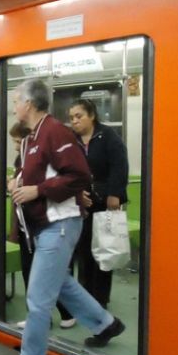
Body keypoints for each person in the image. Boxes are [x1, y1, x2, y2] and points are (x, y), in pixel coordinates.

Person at [0, 79, 124, 355]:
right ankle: (105, 324)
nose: (14, 107)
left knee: (38, 297)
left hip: (60, 224)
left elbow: (79, 175)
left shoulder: (55, 132)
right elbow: (32, 174)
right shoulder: (31, 138)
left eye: (16, 101)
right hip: (43, 226)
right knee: (62, 284)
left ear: (29, 104)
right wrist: (17, 182)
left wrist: (37, 190)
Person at [7, 122, 75, 329]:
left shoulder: (42, 159)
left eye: (18, 141)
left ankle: (65, 313)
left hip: (41, 223)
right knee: (32, 271)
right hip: (26, 223)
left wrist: (20, 185)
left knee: (46, 273)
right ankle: (41, 316)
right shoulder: (21, 158)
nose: (16, 146)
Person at [68, 98, 129, 308]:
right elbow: (67, 170)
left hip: (104, 202)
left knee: (103, 249)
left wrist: (115, 194)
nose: (74, 121)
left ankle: (100, 298)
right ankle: (85, 296)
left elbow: (119, 166)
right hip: (81, 203)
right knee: (84, 251)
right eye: (71, 118)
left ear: (92, 115)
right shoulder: (71, 140)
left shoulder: (107, 135)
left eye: (79, 116)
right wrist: (77, 194)